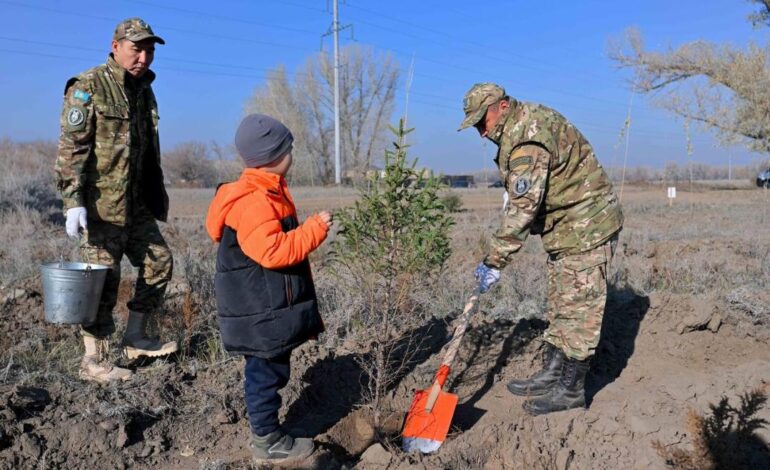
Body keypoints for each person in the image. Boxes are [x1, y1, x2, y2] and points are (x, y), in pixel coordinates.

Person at [459, 83, 624, 415]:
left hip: (587, 227)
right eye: (475, 125)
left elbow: (522, 209)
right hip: (567, 229)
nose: (481, 132)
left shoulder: (526, 142)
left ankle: (571, 389)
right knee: (562, 301)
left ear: (501, 107)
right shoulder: (521, 123)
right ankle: (553, 374)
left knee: (580, 310)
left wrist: (495, 260)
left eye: (482, 122)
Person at [205, 114, 332, 465]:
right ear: (276, 155)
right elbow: (272, 252)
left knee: (268, 372)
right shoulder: (255, 200)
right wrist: (314, 230)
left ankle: (267, 435)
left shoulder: (265, 191)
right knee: (265, 375)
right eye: (288, 147)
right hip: (261, 312)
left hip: (262, 307)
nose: (292, 153)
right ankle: (268, 442)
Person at [54, 18, 176, 384]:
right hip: (100, 206)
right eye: (136, 48)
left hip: (136, 203)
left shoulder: (144, 90)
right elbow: (71, 149)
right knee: (102, 281)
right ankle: (94, 361)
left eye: (149, 50)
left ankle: (136, 337)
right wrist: (72, 200)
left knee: (158, 261)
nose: (143, 57)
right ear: (115, 46)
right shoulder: (87, 86)